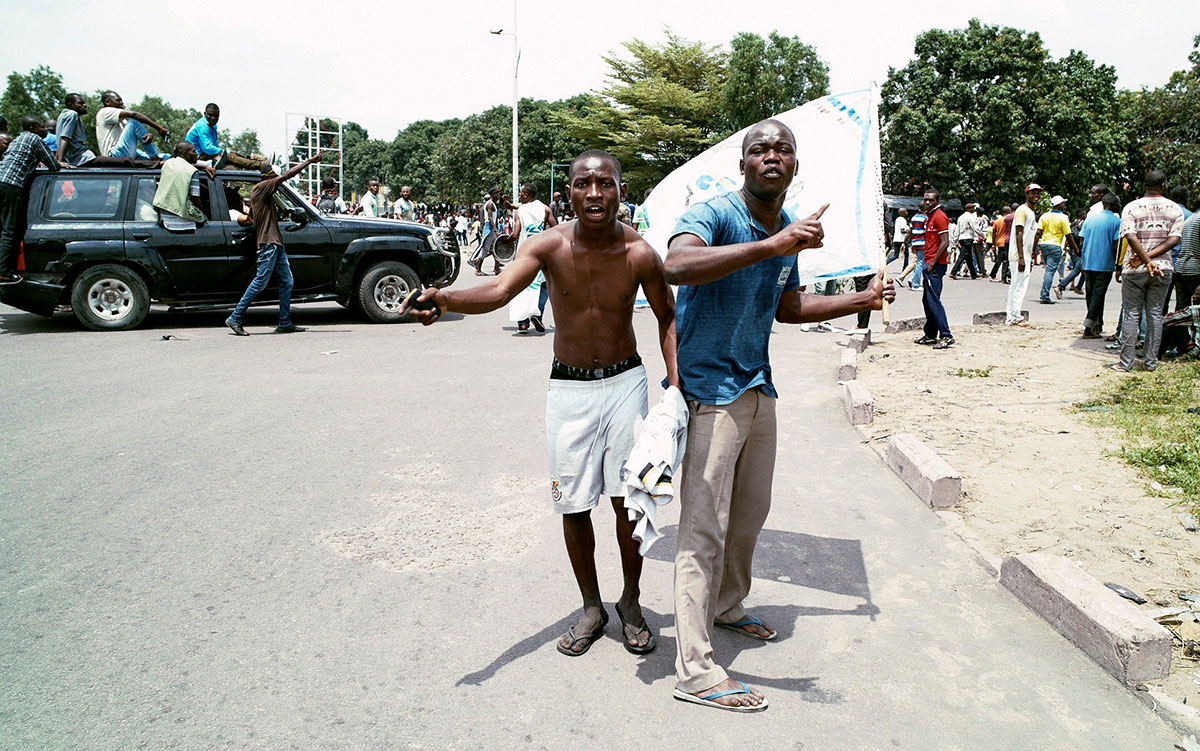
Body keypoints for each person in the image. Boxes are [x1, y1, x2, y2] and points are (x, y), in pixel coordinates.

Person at [403, 149, 679, 660]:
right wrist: (445, 298)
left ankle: (633, 601)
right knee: (573, 504)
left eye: (606, 184)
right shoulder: (547, 246)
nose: (594, 194)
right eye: (583, 184)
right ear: (567, 192)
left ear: (621, 190)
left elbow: (667, 317)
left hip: (626, 387)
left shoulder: (640, 253)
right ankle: (592, 606)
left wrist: (675, 387)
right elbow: (499, 289)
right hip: (568, 391)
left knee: (629, 501)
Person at [661, 118, 892, 712]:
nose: (771, 156)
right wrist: (772, 246)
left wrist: (858, 300)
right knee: (702, 529)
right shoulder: (714, 214)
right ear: (742, 164)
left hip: (758, 387)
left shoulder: (788, 227)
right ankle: (693, 670)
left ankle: (726, 606)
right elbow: (677, 267)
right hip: (712, 391)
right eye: (759, 149)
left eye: (782, 149)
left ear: (794, 165)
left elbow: (789, 306)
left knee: (748, 517)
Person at [224, 150, 326, 336]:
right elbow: (287, 176)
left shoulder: (260, 193)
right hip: (269, 244)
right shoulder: (263, 186)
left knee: (286, 281)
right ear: (270, 174)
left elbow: (251, 218)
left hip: (274, 243)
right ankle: (236, 317)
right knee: (260, 281)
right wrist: (310, 160)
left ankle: (284, 321)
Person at [1113, 171, 1184, 372]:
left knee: (1131, 314)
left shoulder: (1131, 207)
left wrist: (1143, 259)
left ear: (1145, 185)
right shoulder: (1174, 208)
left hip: (1134, 269)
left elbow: (1130, 236)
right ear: (1163, 184)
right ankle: (1151, 363)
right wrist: (1152, 260)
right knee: (1155, 315)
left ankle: (1125, 363)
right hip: (1163, 269)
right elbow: (1174, 240)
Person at [0, 116, 66, 284]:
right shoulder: (34, 139)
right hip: (11, 186)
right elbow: (53, 164)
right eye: (42, 127)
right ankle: (4, 272)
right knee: (11, 231)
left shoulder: (17, 140)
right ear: (33, 128)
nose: (45, 130)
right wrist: (61, 163)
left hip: (2, 182)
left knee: (3, 230)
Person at [506, 181, 557, 332]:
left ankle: (523, 323)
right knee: (543, 286)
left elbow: (515, 235)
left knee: (521, 286)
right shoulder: (545, 209)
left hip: (524, 254)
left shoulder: (520, 212)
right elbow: (557, 229)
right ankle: (537, 313)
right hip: (542, 254)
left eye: (520, 193)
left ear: (526, 195)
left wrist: (506, 240)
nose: (520, 196)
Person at [1078, 193, 1122, 338]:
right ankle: (1089, 327)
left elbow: (1081, 242)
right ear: (1113, 205)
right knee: (1098, 295)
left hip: (1089, 262)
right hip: (1104, 264)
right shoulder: (1116, 222)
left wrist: (1083, 260)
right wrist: (1119, 265)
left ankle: (1097, 324)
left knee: (1091, 295)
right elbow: (1116, 245)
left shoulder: (1089, 220)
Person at [915, 188, 953, 348]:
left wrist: (931, 264)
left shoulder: (939, 217)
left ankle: (946, 335)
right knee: (928, 301)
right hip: (928, 262)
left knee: (933, 301)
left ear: (937, 201)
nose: (927, 202)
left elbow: (945, 242)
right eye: (925, 199)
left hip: (935, 265)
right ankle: (930, 334)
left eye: (930, 200)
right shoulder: (929, 216)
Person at [185, 103, 268, 171]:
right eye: (210, 115)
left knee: (232, 153)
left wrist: (224, 152)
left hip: (204, 154)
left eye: (216, 116)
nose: (213, 118)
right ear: (205, 114)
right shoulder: (203, 126)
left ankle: (255, 160)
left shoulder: (212, 126)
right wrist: (223, 152)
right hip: (196, 156)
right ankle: (260, 165)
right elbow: (208, 148)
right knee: (228, 155)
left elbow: (214, 147)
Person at [152, 142, 216, 223]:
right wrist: (204, 209)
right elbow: (195, 199)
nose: (196, 154)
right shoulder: (192, 172)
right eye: (194, 151)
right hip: (181, 219)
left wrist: (204, 166)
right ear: (185, 154)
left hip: (163, 214)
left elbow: (182, 164)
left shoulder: (168, 163)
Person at [1006, 184, 1042, 326]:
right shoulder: (1022, 210)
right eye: (1033, 193)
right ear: (1027, 194)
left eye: (1038, 193)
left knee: (1019, 285)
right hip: (1018, 256)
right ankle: (1014, 316)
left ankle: (1014, 314)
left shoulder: (1031, 212)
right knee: (1018, 285)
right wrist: (1021, 257)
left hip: (1025, 255)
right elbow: (1018, 233)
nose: (1036, 196)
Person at [94, 91, 167, 161]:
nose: (122, 103)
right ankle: (155, 158)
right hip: (113, 155)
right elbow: (134, 114)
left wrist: (148, 135)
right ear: (107, 102)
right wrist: (159, 128)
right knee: (134, 121)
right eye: (118, 100)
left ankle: (157, 158)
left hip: (123, 153)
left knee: (165, 157)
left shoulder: (122, 121)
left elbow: (135, 134)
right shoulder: (104, 112)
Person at [1037, 195, 1080, 303]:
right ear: (1059, 205)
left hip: (1044, 245)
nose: (1064, 205)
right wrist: (1075, 248)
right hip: (1055, 245)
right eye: (1063, 203)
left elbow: (1038, 233)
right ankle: (1044, 296)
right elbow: (1069, 235)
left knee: (1048, 270)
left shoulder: (1045, 216)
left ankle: (1044, 294)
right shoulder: (1063, 218)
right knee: (1049, 272)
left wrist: (1034, 249)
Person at [470, 187, 502, 275]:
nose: (498, 196)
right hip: (489, 229)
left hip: (491, 228)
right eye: (496, 194)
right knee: (485, 249)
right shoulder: (490, 204)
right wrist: (495, 230)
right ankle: (478, 268)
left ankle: (496, 268)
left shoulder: (494, 204)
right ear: (492, 195)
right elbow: (490, 218)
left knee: (497, 248)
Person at [950, 203, 979, 279]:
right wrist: (983, 235)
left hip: (962, 238)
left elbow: (957, 230)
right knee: (962, 256)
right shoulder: (970, 217)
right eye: (972, 208)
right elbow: (975, 227)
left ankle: (973, 274)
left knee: (969, 257)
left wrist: (955, 241)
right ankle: (953, 272)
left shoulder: (960, 217)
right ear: (969, 209)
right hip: (968, 238)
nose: (973, 209)